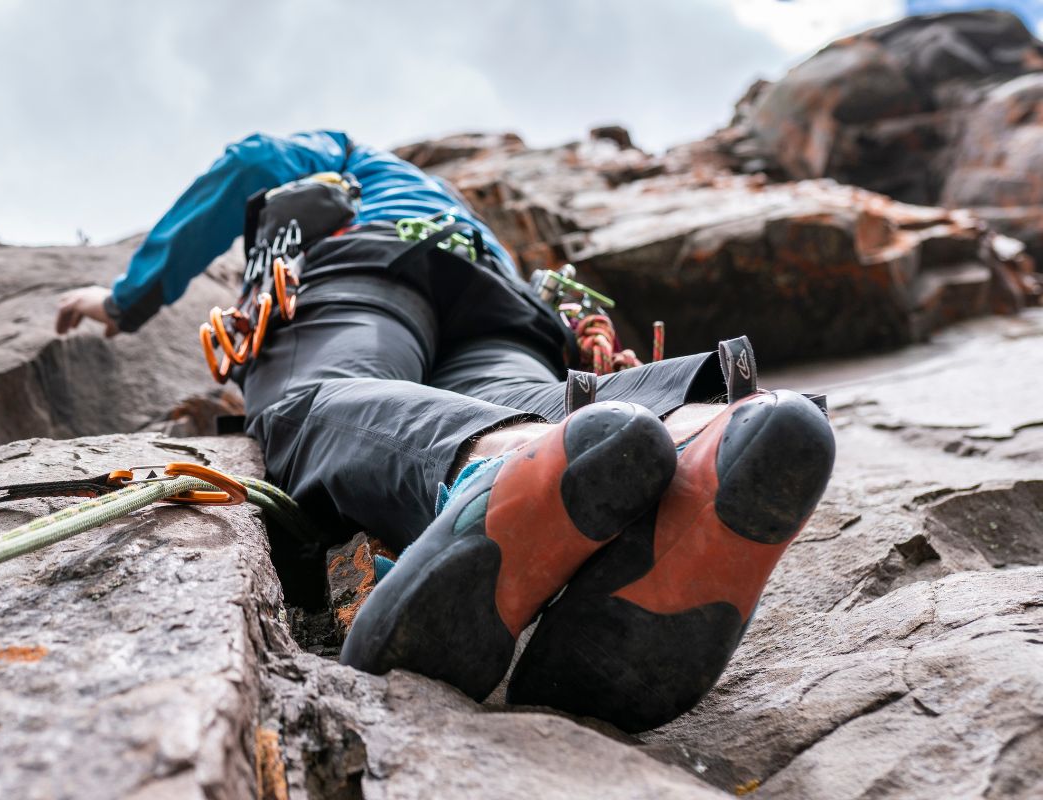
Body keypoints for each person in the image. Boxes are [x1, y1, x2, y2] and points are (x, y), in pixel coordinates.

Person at [54, 130, 835, 732]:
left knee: (325, 394)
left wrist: (126, 298)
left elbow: (255, 158)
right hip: (505, 308)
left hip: (364, 266)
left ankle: (498, 466)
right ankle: (709, 436)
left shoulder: (352, 158)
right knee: (528, 397)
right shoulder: (470, 220)